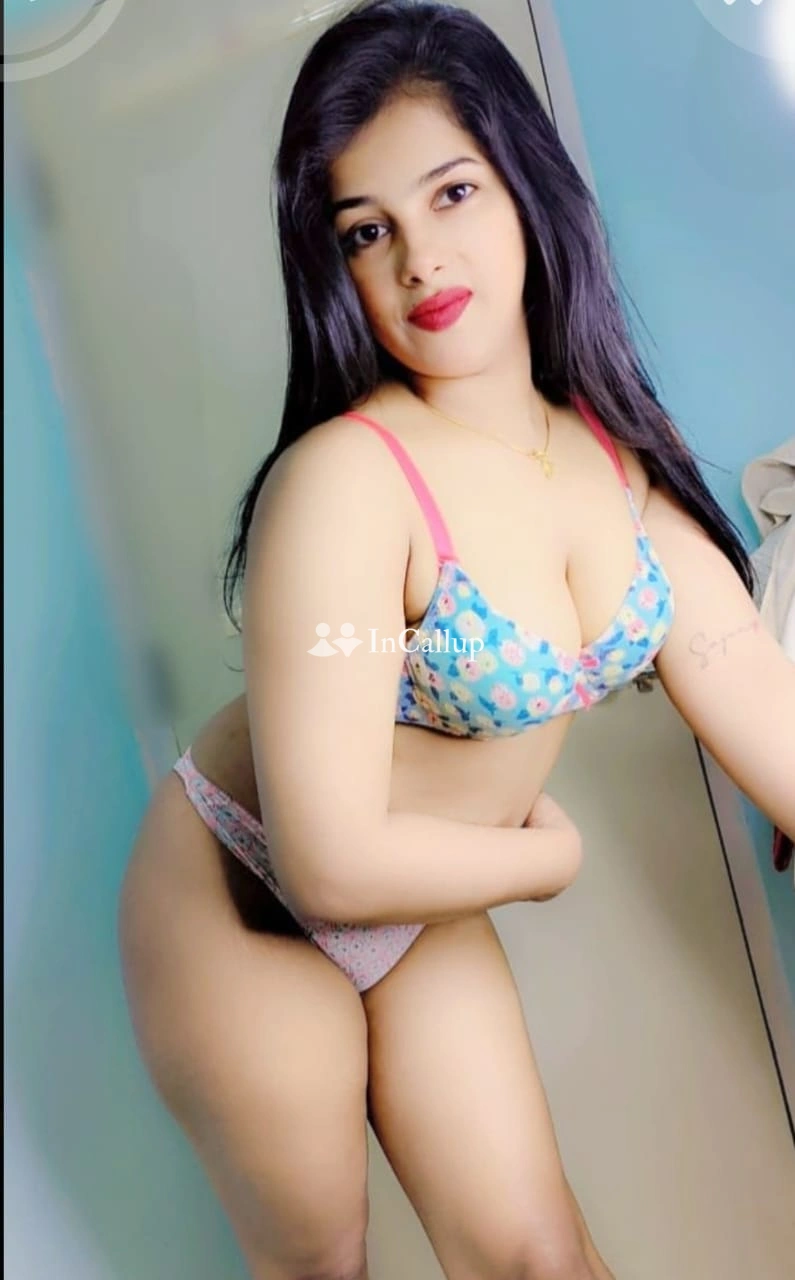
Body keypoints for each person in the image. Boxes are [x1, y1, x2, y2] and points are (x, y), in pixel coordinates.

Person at [117, 3, 795, 1278]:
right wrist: (547, 859)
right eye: (367, 230)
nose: (422, 259)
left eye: (452, 193)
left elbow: (760, 699)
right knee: (327, 1263)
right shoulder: (347, 480)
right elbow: (326, 862)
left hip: (423, 901)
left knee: (540, 1258)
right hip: (243, 889)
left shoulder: (617, 475)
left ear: (526, 186)